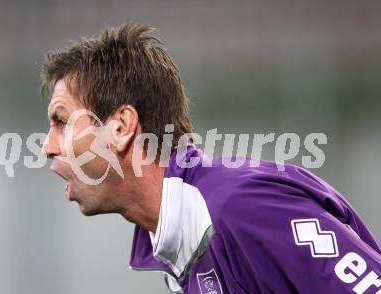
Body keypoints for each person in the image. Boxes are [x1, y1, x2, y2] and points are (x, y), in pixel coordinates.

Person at [41, 22, 381, 294]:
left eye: (61, 121)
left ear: (121, 127)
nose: (48, 146)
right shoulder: (176, 242)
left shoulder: (245, 208)